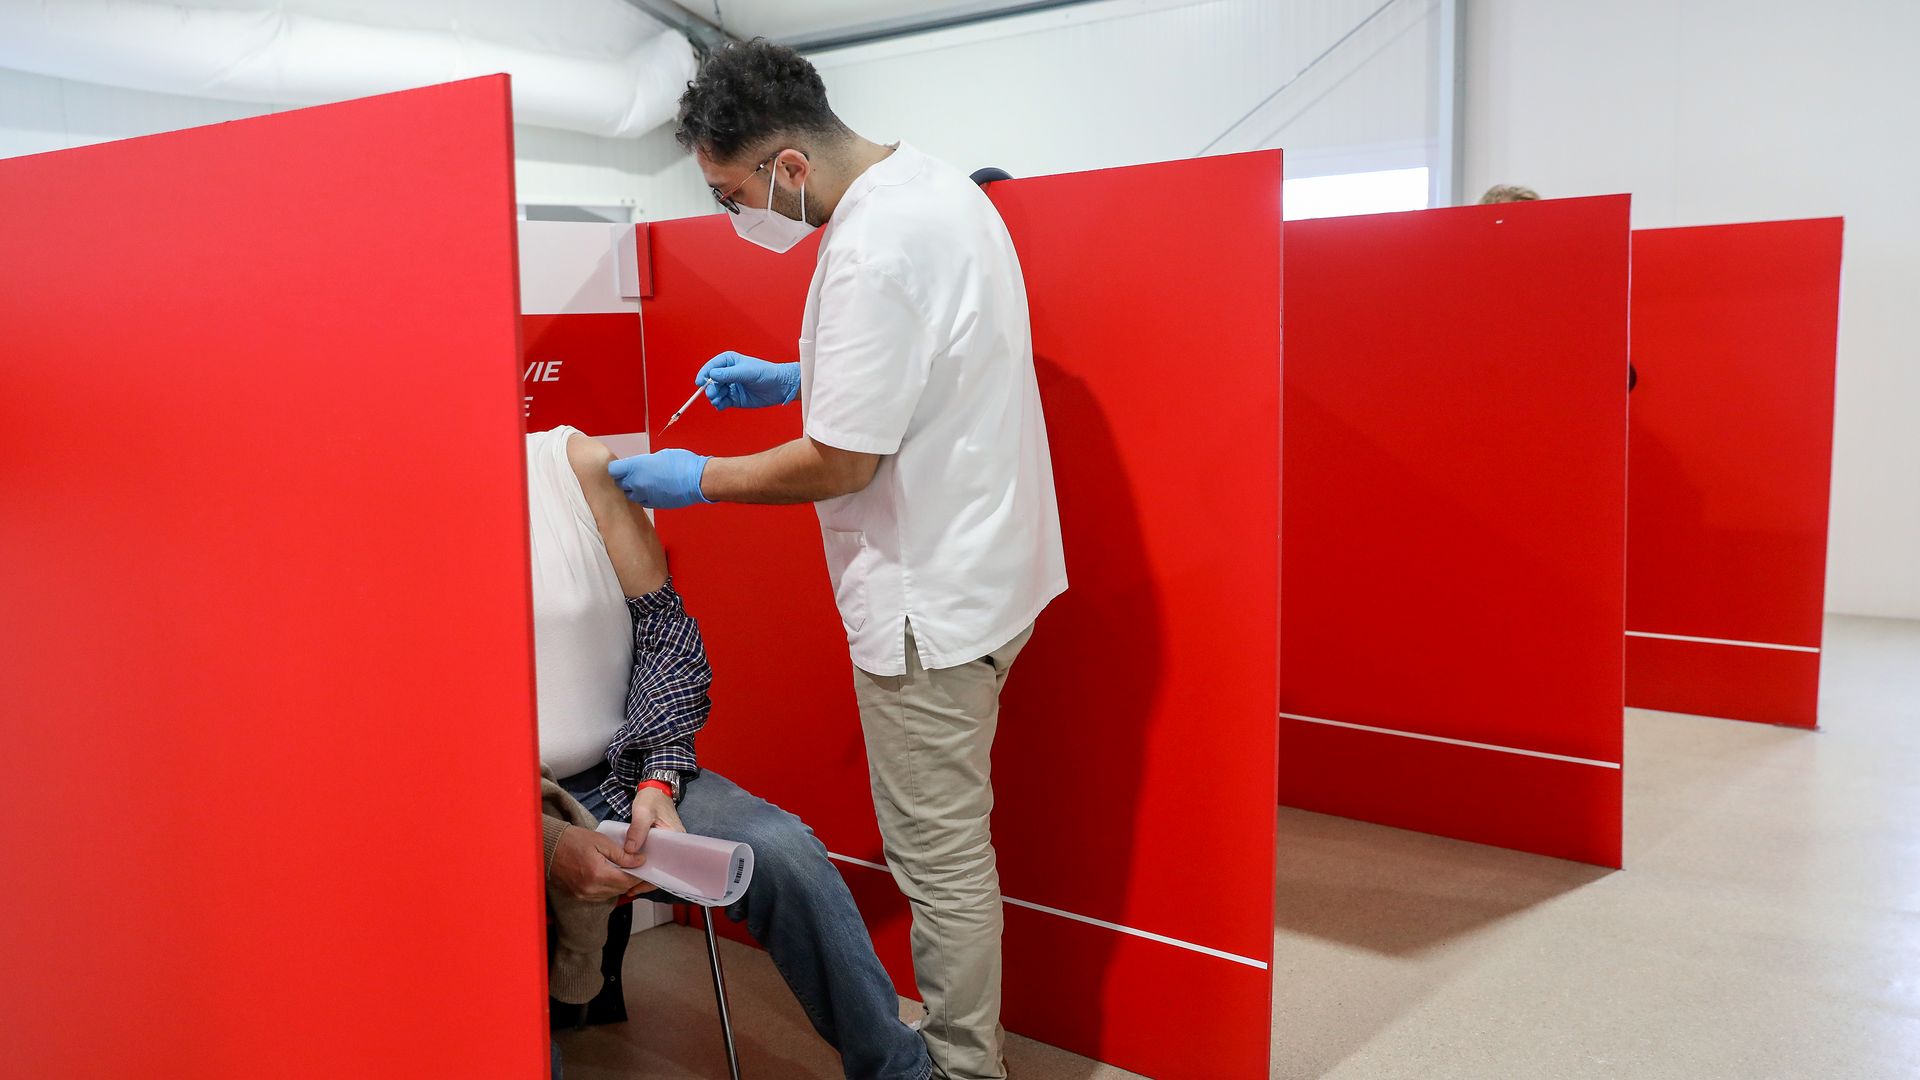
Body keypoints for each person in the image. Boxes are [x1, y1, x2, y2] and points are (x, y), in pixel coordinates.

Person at [603, 39, 1067, 1080]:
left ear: (788, 166)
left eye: (732, 195)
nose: (736, 217)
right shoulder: (938, 189)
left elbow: (845, 462)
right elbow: (925, 345)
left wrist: (703, 479)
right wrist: (792, 372)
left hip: (929, 605)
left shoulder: (866, 246)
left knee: (941, 863)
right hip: (996, 567)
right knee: (957, 850)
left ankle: (959, 1070)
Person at [528, 424, 931, 1080]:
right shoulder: (392, 508)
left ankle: (898, 1068)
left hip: (622, 769)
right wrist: (543, 841)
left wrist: (657, 777)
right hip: (486, 803)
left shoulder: (573, 464)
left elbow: (663, 631)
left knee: (782, 851)